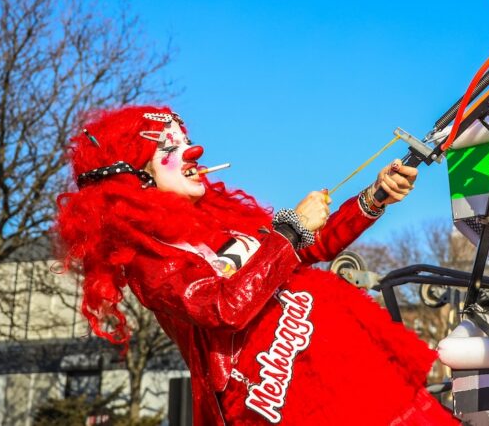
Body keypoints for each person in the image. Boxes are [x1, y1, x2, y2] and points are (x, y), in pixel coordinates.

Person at [54, 106, 459, 425]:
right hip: (283, 403)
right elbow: (221, 307)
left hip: (343, 371)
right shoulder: (151, 263)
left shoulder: (223, 222)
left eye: (187, 141)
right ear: (135, 180)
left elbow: (303, 250)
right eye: (169, 149)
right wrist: (290, 231)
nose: (193, 153)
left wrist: (374, 197)